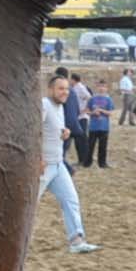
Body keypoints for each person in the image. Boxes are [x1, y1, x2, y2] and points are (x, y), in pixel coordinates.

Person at [39, 73, 99, 252]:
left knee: (71, 200)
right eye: (60, 88)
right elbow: (33, 131)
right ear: (50, 89)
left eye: (66, 89)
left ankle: (76, 241)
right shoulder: (44, 105)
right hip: (43, 166)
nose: (65, 92)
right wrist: (37, 158)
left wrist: (64, 131)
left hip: (58, 165)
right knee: (29, 205)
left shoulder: (60, 107)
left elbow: (51, 129)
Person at [85, 76, 115, 167]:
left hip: (104, 127)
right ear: (97, 87)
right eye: (100, 86)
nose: (102, 88)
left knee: (103, 146)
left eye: (104, 86)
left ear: (106, 88)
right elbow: (87, 111)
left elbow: (110, 113)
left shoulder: (108, 100)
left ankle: (102, 163)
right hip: (93, 127)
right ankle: (87, 162)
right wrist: (93, 112)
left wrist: (102, 111)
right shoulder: (92, 99)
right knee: (90, 146)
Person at [70, 70, 92, 166]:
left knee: (82, 139)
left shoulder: (80, 87)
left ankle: (85, 159)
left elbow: (90, 98)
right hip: (77, 116)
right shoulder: (74, 88)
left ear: (73, 79)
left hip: (82, 117)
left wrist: (86, 109)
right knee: (78, 139)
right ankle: (81, 159)